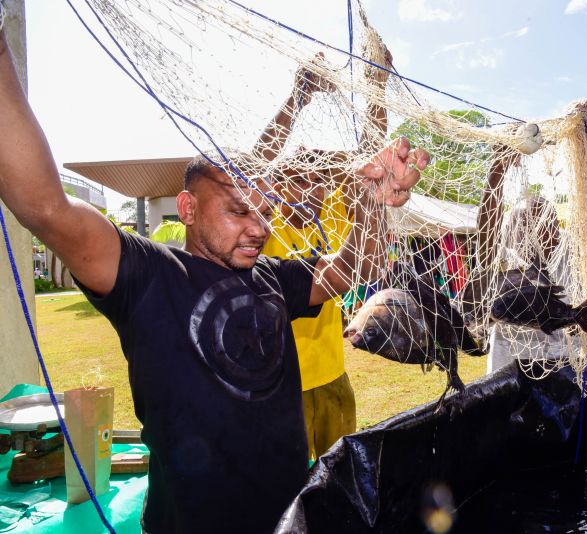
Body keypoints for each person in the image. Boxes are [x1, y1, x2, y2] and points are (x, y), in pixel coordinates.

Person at [0, 28, 428, 533]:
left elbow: (352, 265)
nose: (259, 227)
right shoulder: (147, 275)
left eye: (265, 212)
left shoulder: (270, 276)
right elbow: (45, 205)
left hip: (287, 521)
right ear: (188, 207)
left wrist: (375, 203)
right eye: (239, 211)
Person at [255, 48, 392, 460]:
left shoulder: (330, 218)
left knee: (339, 481)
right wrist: (300, 95)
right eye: (299, 180)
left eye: (317, 180)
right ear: (276, 187)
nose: (311, 189)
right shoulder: (263, 231)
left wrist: (376, 89)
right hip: (279, 389)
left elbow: (375, 164)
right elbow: (255, 162)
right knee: (286, 488)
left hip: (333, 378)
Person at [471, 146, 587, 373]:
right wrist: (499, 167)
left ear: (557, 228)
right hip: (509, 381)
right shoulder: (504, 260)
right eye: (524, 222)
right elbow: (486, 228)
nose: (534, 230)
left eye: (544, 220)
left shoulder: (573, 255)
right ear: (511, 230)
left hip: (567, 375)